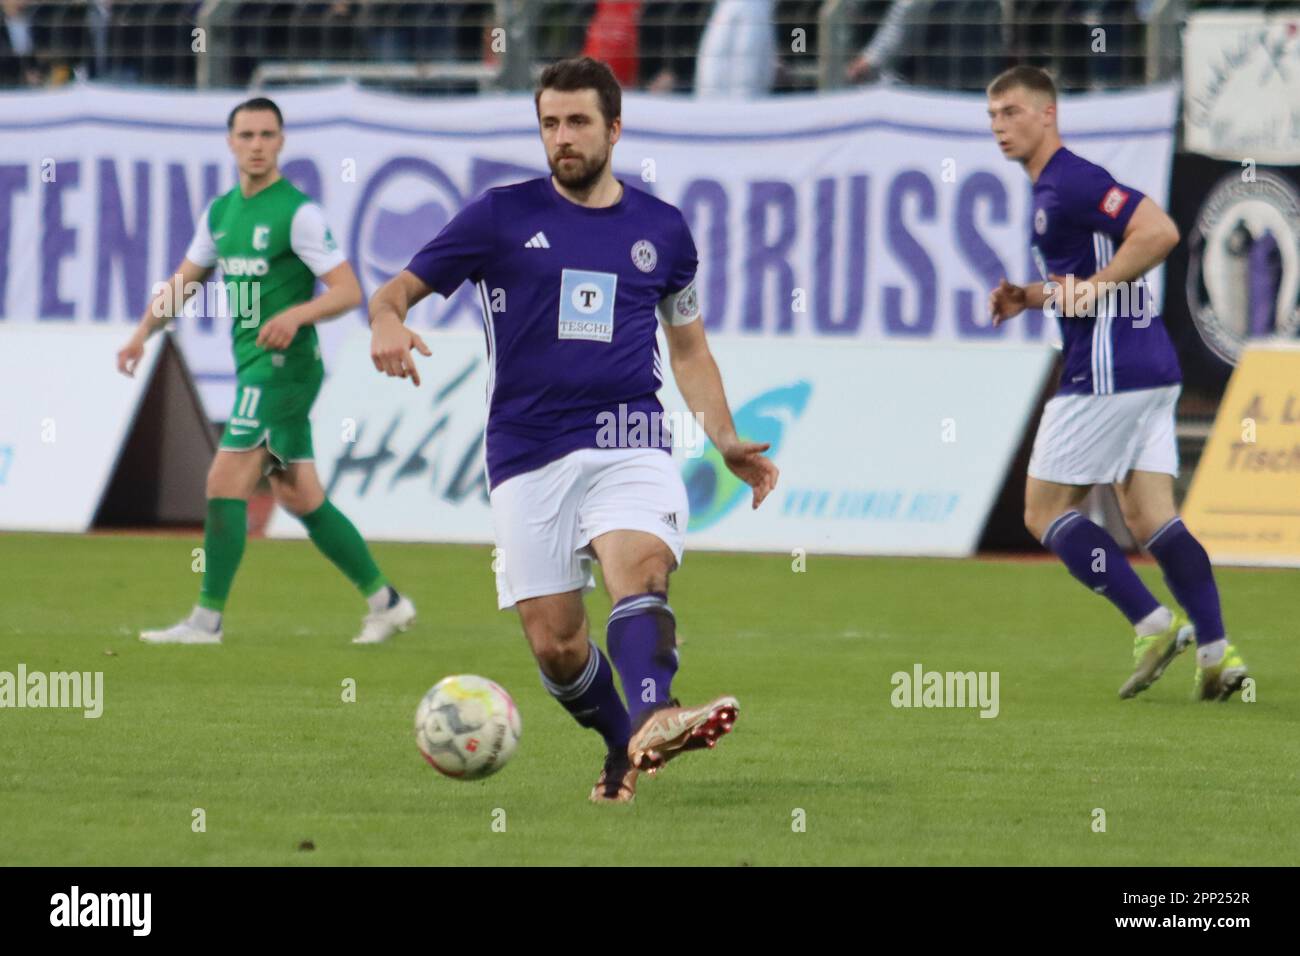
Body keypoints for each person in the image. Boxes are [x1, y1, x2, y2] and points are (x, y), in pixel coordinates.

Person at [367, 57, 779, 802]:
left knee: (640, 567)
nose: (563, 137)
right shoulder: (499, 218)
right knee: (557, 648)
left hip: (630, 437)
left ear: (614, 129)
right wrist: (388, 321)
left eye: (578, 121)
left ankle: (657, 710)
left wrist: (722, 436)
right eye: (550, 123)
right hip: (527, 453)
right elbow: (395, 290)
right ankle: (623, 743)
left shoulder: (663, 231)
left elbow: (688, 348)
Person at [985, 65, 1248, 702]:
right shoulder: (1053, 191)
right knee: (1151, 516)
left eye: (1013, 112)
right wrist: (1030, 295)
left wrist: (1094, 291)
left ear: (1048, 114)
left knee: (1044, 510)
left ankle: (1153, 622)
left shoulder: (1072, 181)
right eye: (993, 117)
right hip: (1149, 367)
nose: (1001, 127)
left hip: (1105, 371)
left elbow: (1158, 230)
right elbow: (1083, 278)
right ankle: (1217, 653)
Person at [117, 97, 415, 646]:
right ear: (231, 143)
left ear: (281, 143)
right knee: (300, 496)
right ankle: (386, 602)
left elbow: (349, 291)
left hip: (284, 369)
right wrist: (140, 334)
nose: (256, 145)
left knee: (223, 480)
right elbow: (184, 283)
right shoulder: (221, 214)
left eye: (267, 135)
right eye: (247, 135)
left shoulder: (297, 213)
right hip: (254, 365)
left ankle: (206, 621)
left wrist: (295, 314)